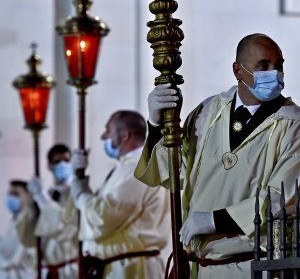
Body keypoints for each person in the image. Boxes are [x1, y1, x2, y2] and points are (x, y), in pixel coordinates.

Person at [134, 33, 300, 278]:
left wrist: (214, 220)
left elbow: (282, 198)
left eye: (279, 65)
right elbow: (177, 174)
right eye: (263, 66)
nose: (274, 74)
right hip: (198, 266)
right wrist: (156, 125)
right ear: (238, 70)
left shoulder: (293, 123)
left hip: (251, 265)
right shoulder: (207, 112)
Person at [70, 110, 171, 278]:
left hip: (130, 269)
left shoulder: (137, 168)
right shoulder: (126, 167)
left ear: (124, 135)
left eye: (108, 130)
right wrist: (79, 180)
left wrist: (80, 193)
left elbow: (104, 217)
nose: (103, 136)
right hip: (119, 266)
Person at [16, 144, 78, 279]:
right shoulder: (47, 195)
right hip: (47, 269)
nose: (62, 165)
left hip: (69, 269)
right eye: (57, 162)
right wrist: (30, 204)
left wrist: (41, 197)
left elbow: (65, 224)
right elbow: (28, 239)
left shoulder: (77, 193)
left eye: (66, 161)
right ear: (49, 166)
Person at [0, 180, 36, 279]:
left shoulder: (30, 222)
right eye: (10, 194)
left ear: (27, 197)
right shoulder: (13, 222)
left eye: (16, 194)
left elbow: (15, 259)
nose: (11, 198)